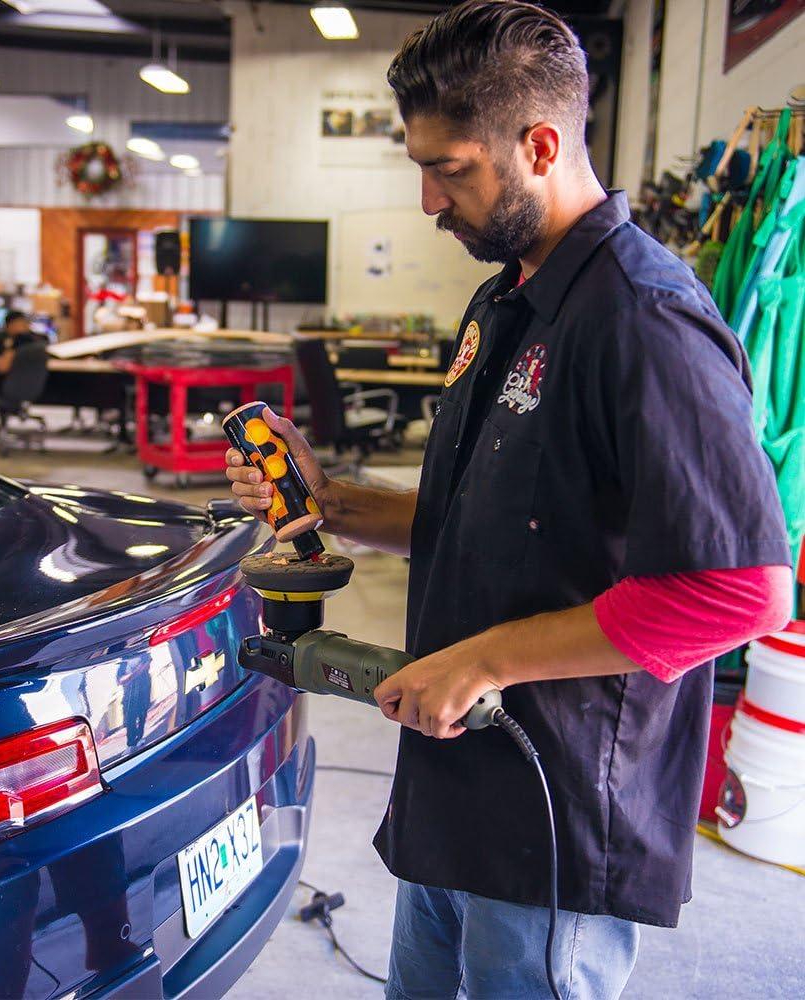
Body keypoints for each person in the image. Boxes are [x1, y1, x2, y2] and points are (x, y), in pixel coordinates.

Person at [225, 3, 793, 998]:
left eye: (450, 170)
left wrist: (484, 660)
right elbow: (482, 511)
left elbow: (738, 590)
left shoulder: (644, 319)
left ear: (539, 146)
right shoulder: (507, 297)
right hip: (455, 788)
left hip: (552, 807)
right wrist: (334, 500)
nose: (427, 202)